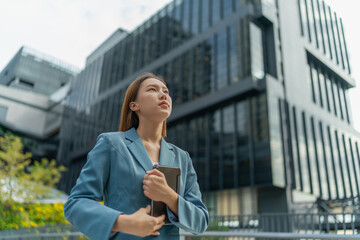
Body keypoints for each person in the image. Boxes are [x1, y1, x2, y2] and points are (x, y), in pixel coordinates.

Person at [64, 73, 209, 239]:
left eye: (166, 91)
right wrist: (124, 222)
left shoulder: (182, 158)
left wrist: (169, 196)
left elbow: (201, 222)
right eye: (152, 90)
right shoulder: (111, 144)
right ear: (134, 105)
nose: (163, 95)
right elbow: (76, 203)